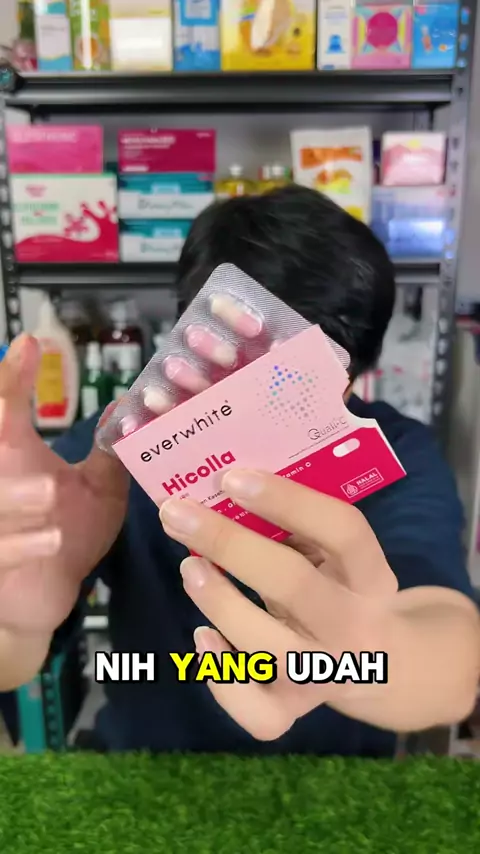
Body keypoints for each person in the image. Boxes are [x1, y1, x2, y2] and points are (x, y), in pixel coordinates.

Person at [0, 186, 478, 754]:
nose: (265, 409)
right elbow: (12, 659)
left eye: (301, 383)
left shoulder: (396, 452)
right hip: (147, 765)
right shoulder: (115, 456)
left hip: (332, 777)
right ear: (188, 343)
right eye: (240, 378)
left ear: (356, 374)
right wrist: (16, 621)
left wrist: (362, 651)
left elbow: (450, 668)